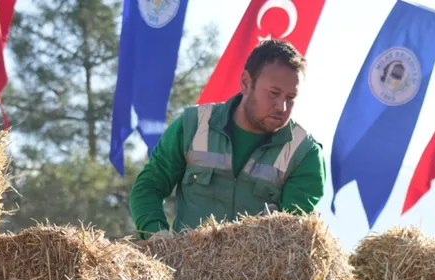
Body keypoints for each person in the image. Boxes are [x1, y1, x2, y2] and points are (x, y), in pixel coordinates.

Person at [129, 39, 325, 240]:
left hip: (259, 271)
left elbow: (294, 235)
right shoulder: (192, 126)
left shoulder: (304, 153)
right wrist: (156, 234)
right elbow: (149, 187)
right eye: (274, 93)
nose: (282, 107)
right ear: (246, 83)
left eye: (291, 97)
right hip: (185, 269)